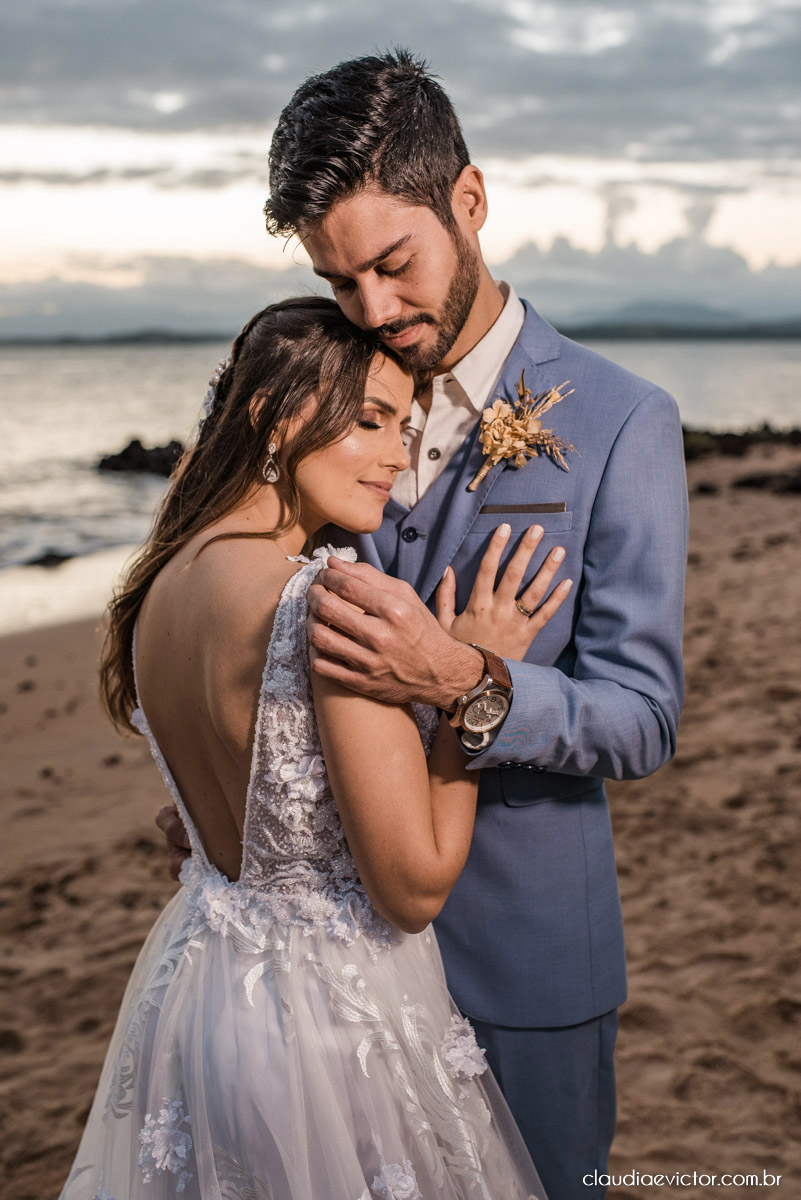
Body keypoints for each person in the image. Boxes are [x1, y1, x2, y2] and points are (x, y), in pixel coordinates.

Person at [252, 48, 689, 1200]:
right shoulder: (321, 396)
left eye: (394, 267)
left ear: (471, 200)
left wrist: (464, 678)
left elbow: (642, 719)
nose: (375, 313)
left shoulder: (623, 423)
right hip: (335, 969)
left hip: (527, 972)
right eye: (342, 285)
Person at [60, 296, 571, 1199]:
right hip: (330, 1026)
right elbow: (412, 887)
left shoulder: (159, 587)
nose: (396, 455)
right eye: (371, 421)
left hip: (201, 996)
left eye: (405, 427)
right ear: (272, 414)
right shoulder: (327, 600)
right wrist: (471, 680)